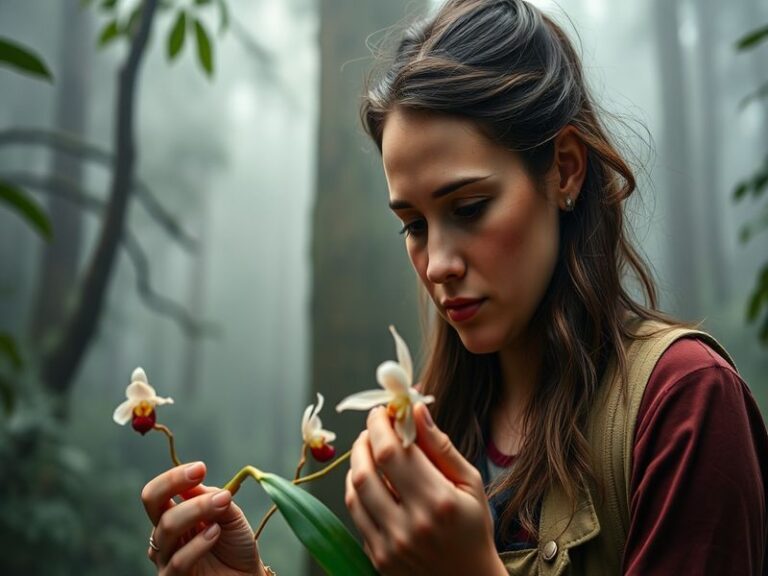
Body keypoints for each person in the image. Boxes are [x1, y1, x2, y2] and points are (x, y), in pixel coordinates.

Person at [139, 0, 768, 574]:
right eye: (413, 225)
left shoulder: (681, 405)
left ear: (565, 170)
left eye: (468, 207)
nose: (437, 262)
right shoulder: (435, 431)